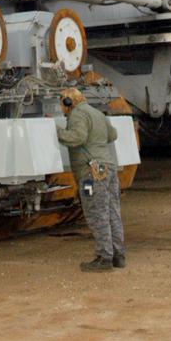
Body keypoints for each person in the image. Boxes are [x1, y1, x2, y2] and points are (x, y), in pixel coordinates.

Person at [56, 87, 125, 272]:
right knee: (112, 212)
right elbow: (113, 135)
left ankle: (104, 257)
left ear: (68, 102)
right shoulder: (96, 113)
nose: (62, 108)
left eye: (62, 104)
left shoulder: (77, 114)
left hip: (91, 173)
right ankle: (118, 255)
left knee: (97, 213)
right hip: (108, 169)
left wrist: (56, 131)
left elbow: (78, 138)